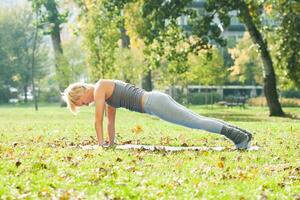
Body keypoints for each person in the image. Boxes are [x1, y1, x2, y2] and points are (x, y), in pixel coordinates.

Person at [63, 79, 252, 150]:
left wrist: (99, 145)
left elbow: (98, 122)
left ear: (80, 93)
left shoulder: (100, 87)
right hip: (155, 101)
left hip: (155, 103)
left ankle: (239, 137)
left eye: (82, 102)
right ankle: (242, 134)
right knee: (197, 119)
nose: (86, 104)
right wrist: (110, 144)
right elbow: (109, 122)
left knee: (196, 122)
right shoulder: (104, 93)